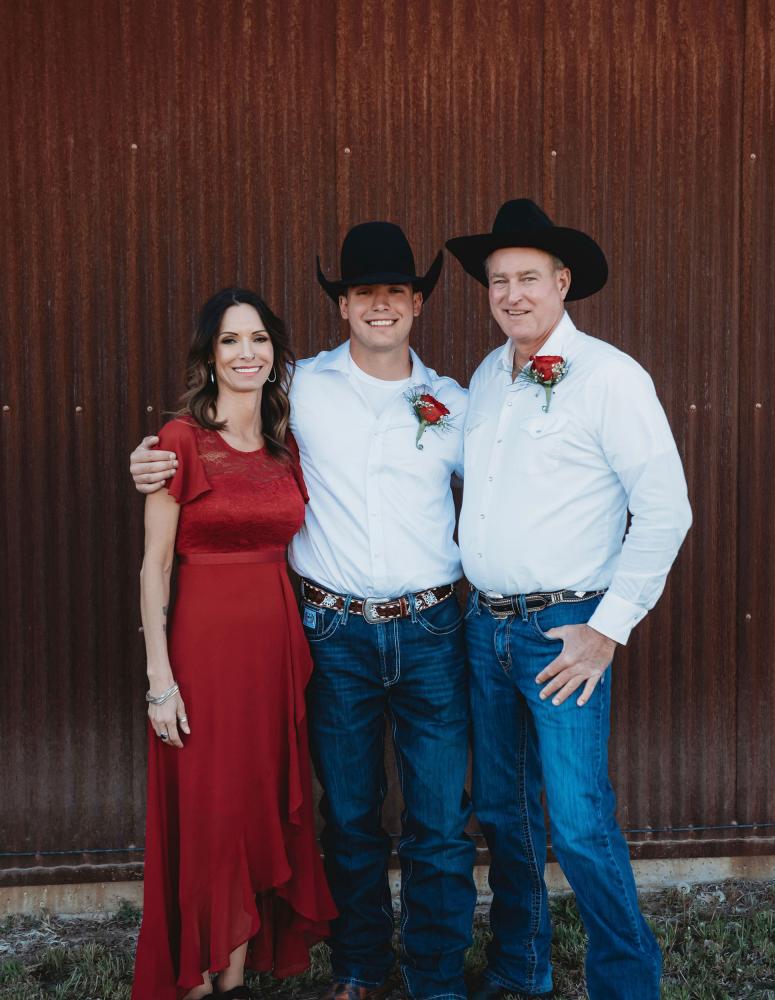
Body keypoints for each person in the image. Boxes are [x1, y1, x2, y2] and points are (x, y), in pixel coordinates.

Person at [130, 224, 477, 1000]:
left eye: (395, 292)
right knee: (348, 817)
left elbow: (507, 486)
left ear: (418, 303)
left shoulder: (454, 404)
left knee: (438, 823)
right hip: (332, 631)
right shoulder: (302, 386)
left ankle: (436, 979)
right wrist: (150, 459)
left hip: (430, 630)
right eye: (364, 293)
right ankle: (358, 969)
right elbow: (215, 419)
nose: (380, 306)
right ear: (342, 305)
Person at [446, 199, 692, 1000]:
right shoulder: (488, 377)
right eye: (498, 281)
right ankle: (522, 968)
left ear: (562, 283)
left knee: (580, 821)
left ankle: (628, 985)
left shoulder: (610, 378)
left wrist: (605, 631)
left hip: (564, 631)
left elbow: (666, 511)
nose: (512, 294)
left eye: (528, 278)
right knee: (503, 813)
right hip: (485, 627)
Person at [132, 288, 336, 1000]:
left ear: (275, 353)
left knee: (254, 801)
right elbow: (154, 566)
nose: (246, 353)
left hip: (275, 648)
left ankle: (237, 974)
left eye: (258, 339)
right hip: (204, 649)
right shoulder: (179, 441)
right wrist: (160, 680)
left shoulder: (285, 444)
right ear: (209, 356)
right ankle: (193, 976)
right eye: (229, 340)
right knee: (210, 808)